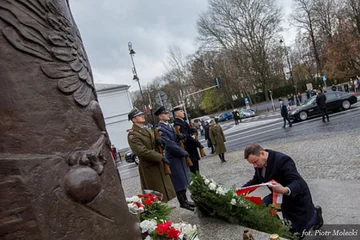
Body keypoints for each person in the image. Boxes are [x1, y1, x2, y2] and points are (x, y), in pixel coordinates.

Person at [242, 144, 323, 236]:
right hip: (278, 194)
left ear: (262, 153)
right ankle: (278, 228)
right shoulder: (259, 165)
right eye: (252, 164)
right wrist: (241, 191)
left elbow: (297, 181)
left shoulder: (283, 160)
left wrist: (284, 189)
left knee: (298, 232)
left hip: (295, 194)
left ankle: (316, 214)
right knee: (263, 207)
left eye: (255, 162)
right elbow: (256, 180)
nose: (255, 166)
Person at [127, 107, 176, 202]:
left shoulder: (146, 130)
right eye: (139, 115)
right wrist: (160, 157)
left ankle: (164, 210)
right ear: (134, 119)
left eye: (142, 114)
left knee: (163, 191)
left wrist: (159, 142)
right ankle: (158, 213)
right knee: (154, 193)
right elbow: (141, 151)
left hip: (156, 163)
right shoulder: (133, 135)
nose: (142, 116)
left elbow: (152, 143)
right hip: (148, 166)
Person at [154, 106, 194, 211]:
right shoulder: (160, 129)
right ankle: (182, 202)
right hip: (173, 157)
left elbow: (177, 139)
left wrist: (182, 137)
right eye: (165, 113)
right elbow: (169, 144)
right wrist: (183, 152)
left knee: (184, 178)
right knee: (178, 181)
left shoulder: (170, 126)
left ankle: (186, 200)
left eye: (167, 113)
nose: (167, 115)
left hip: (179, 156)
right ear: (160, 116)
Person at [173, 104, 204, 174]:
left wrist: (193, 130)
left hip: (192, 149)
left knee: (196, 170)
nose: (183, 112)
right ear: (176, 113)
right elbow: (187, 137)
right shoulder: (178, 123)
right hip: (188, 150)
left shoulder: (183, 122)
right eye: (181, 111)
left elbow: (189, 133)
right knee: (193, 172)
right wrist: (198, 144)